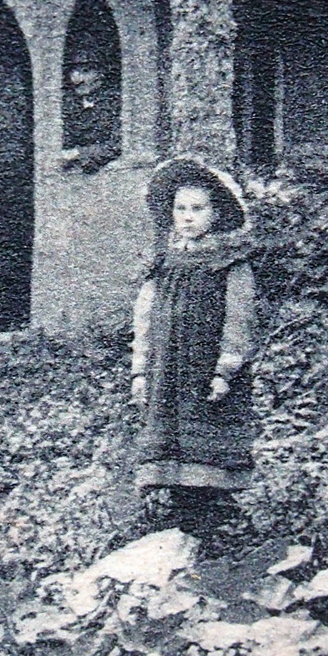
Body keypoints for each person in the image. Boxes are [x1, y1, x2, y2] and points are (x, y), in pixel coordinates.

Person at [130, 155, 258, 529]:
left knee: (208, 429)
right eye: (180, 209)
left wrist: (226, 369)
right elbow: (145, 318)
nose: (187, 217)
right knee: (168, 431)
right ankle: (177, 505)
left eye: (197, 209)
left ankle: (214, 508)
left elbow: (239, 318)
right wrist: (140, 371)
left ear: (215, 215)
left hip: (205, 369)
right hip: (166, 368)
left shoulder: (231, 262)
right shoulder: (162, 263)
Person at [61, 50, 121, 174]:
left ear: (101, 74)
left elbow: (117, 146)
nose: (78, 79)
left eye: (86, 71)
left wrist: (79, 153)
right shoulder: (68, 106)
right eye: (74, 71)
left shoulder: (115, 104)